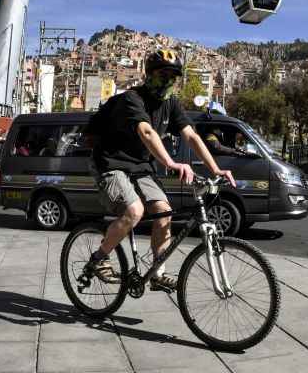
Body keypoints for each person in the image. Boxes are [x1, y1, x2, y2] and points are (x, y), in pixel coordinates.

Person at [84, 48, 236, 292]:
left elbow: (192, 137)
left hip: (140, 166)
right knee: (134, 211)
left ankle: (157, 273)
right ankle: (99, 257)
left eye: (173, 76)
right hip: (110, 162)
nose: (168, 81)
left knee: (164, 210)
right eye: (162, 74)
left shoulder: (172, 104)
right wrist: (171, 163)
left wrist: (216, 170)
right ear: (149, 74)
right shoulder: (132, 99)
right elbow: (146, 132)